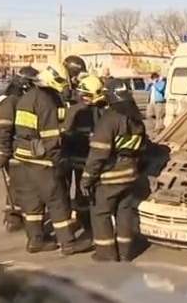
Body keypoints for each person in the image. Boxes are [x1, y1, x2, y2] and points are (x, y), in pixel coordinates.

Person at [13, 62, 93, 255]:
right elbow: (50, 135)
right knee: (58, 201)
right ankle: (68, 243)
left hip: (24, 158)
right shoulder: (46, 100)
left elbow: (40, 121)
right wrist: (57, 158)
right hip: (43, 161)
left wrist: (72, 110)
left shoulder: (28, 98)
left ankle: (35, 241)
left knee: (33, 202)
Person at [81, 81, 146, 262]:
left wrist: (87, 179)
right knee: (124, 212)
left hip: (109, 178)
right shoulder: (136, 118)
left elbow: (98, 155)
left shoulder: (109, 119)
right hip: (130, 175)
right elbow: (142, 148)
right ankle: (125, 252)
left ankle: (106, 254)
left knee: (100, 213)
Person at [0, 66, 39, 233]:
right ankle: (14, 218)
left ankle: (18, 218)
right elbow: (3, 130)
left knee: (20, 187)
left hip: (25, 151)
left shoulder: (25, 101)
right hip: (14, 152)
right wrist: (3, 154)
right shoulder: (10, 102)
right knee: (18, 188)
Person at [62, 74, 106, 230]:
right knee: (84, 191)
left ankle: (70, 219)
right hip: (85, 159)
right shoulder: (97, 112)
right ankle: (84, 220)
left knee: (67, 191)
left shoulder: (72, 109)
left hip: (70, 158)